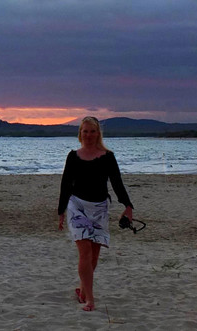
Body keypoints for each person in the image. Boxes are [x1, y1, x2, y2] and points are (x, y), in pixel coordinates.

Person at [57, 116, 134, 312]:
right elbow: (65, 184)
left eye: (92, 131)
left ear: (98, 133)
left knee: (94, 257)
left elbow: (117, 183)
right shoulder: (73, 156)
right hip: (77, 206)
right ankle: (90, 299)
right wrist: (61, 211)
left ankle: (83, 290)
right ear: (80, 134)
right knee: (85, 253)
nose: (89, 135)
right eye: (85, 131)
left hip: (99, 208)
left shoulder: (107, 156)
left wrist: (127, 206)